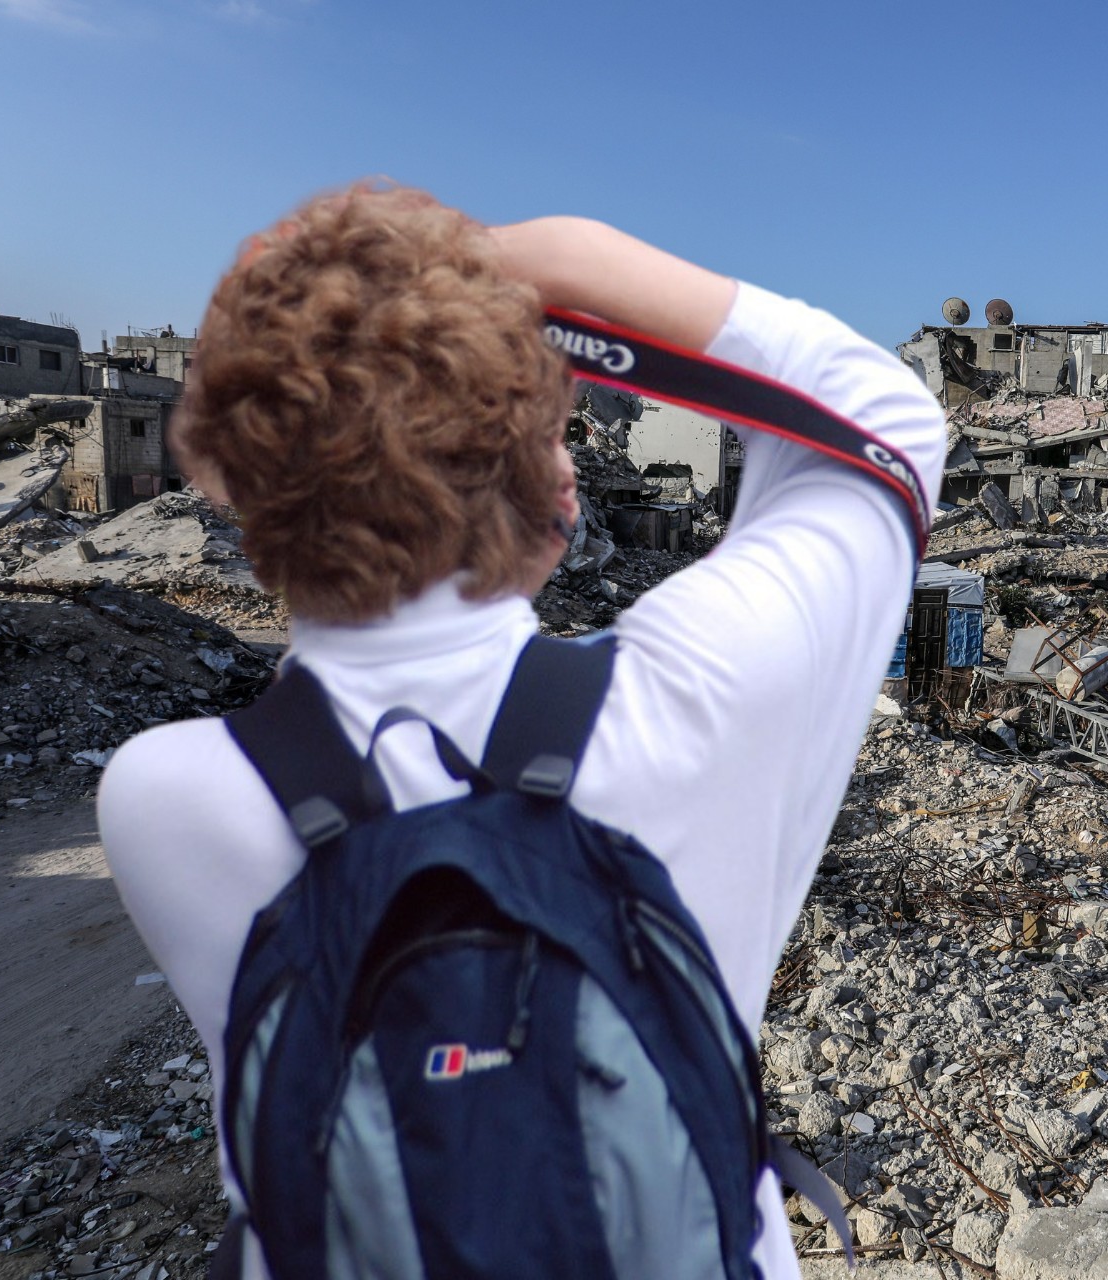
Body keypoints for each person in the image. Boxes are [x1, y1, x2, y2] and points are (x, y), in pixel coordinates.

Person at [98, 183, 946, 1279]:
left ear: (241, 488)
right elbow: (888, 418)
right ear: (550, 487)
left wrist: (351, 304)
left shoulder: (161, 797)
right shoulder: (703, 692)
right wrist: (524, 256)